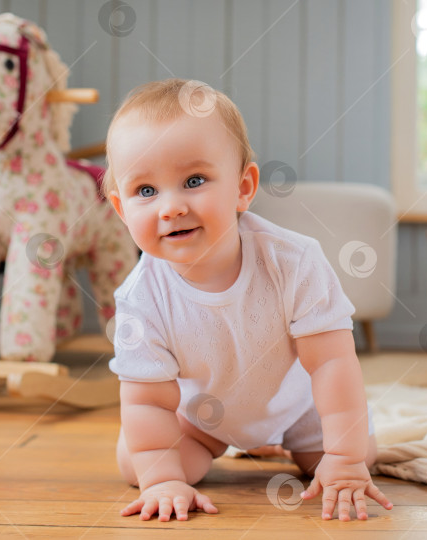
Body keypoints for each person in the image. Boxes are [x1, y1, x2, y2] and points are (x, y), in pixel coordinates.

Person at [103, 78, 393, 523]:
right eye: (146, 191)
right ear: (122, 209)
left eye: (193, 180)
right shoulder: (141, 298)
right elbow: (146, 402)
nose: (170, 207)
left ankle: (313, 447)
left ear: (243, 187)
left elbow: (333, 363)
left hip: (302, 407)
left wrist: (347, 458)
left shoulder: (294, 262)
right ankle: (204, 455)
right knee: (136, 462)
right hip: (203, 419)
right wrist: (162, 479)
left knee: (349, 458)